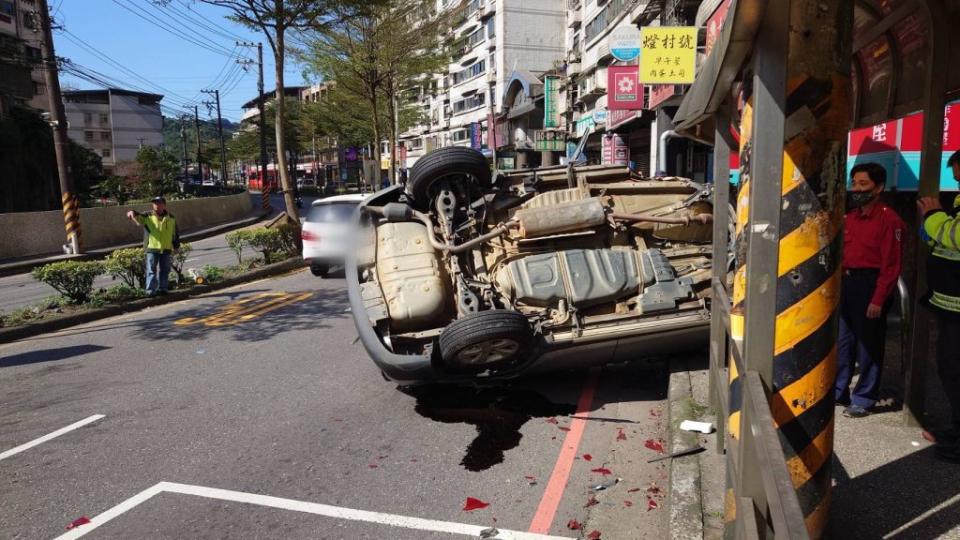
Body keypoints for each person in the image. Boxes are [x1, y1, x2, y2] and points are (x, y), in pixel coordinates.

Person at [835, 163, 904, 418]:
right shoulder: (850, 218)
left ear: (879, 187)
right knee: (844, 343)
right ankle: (840, 391)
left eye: (863, 184)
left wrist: (878, 299)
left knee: (869, 346)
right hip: (849, 284)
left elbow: (891, 265)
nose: (857, 189)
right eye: (854, 183)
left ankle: (864, 397)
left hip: (871, 285)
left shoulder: (889, 220)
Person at [918, 149, 960, 462]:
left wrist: (933, 217)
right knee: (950, 370)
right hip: (951, 310)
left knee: (955, 371)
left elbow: (955, 237)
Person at [126, 196, 180, 296]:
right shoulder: (147, 216)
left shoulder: (171, 218)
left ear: (164, 205)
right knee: (151, 270)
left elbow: (175, 233)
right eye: (154, 203)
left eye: (158, 203)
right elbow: (136, 215)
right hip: (152, 248)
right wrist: (131, 212)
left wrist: (176, 246)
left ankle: (163, 289)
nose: (156, 205)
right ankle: (150, 291)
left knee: (165, 270)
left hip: (166, 248)